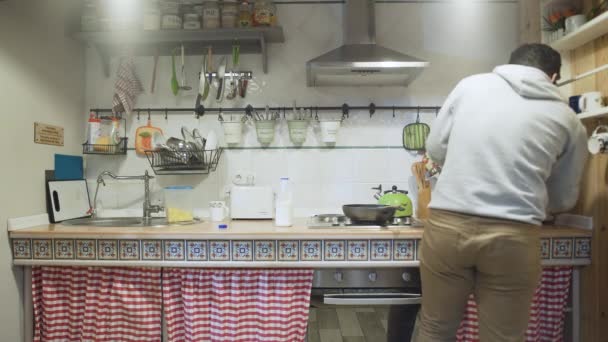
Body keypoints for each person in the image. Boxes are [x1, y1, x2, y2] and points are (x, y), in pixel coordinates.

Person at [411, 44, 588, 342]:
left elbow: (436, 149)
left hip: (449, 226)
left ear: (509, 65)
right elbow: (563, 199)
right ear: (554, 76)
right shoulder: (568, 119)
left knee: (435, 328)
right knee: (504, 337)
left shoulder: (470, 86)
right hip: (515, 235)